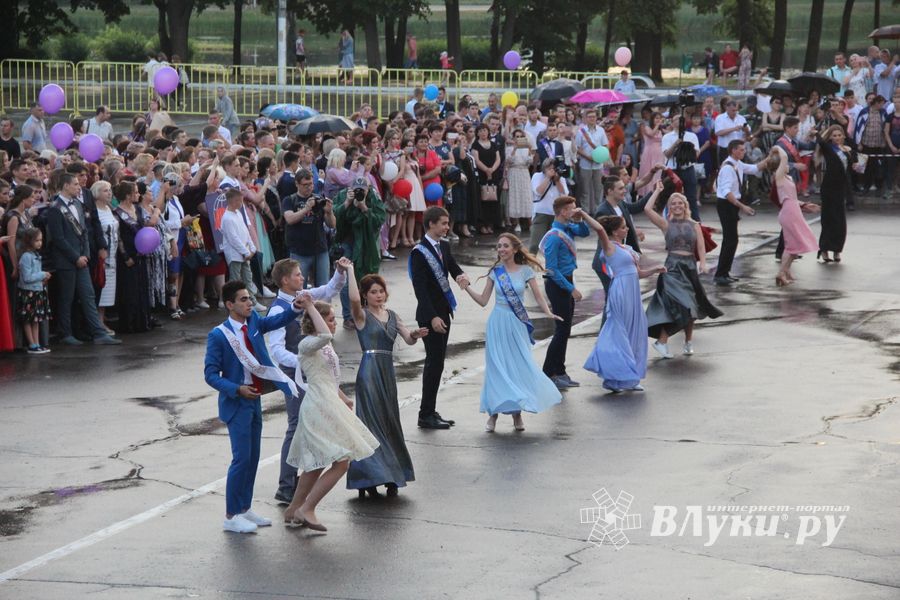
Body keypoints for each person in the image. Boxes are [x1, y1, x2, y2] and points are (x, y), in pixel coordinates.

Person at [204, 279, 306, 533]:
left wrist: (295, 307)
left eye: (249, 298)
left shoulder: (254, 322)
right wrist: (236, 388)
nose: (250, 303)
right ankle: (231, 515)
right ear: (230, 305)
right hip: (237, 402)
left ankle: (244, 508)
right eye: (243, 299)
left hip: (255, 399)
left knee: (252, 458)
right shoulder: (219, 335)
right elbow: (211, 375)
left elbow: (277, 320)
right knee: (241, 459)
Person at [280, 295, 378, 531]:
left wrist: (343, 397)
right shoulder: (307, 344)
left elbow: (328, 377)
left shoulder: (324, 345)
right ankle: (308, 508)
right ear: (317, 320)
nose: (335, 323)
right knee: (341, 462)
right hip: (318, 406)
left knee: (317, 463)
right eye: (331, 319)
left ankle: (293, 509)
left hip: (328, 403)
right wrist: (310, 306)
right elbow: (324, 335)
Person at [266, 257, 348, 504]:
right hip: (295, 374)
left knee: (314, 423)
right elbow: (277, 350)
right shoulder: (278, 309)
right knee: (296, 425)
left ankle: (305, 477)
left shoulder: (303, 296)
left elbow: (330, 289)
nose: (302, 277)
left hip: (311, 372)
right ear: (285, 280)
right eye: (298, 274)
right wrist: (303, 362)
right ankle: (286, 485)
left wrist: (340, 271)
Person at [461, 233, 562, 432]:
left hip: (517, 324)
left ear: (515, 249)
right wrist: (467, 288)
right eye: (499, 246)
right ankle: (493, 415)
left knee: (518, 366)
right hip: (497, 323)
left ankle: (517, 414)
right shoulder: (495, 272)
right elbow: (483, 301)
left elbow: (539, 297)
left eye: (505, 246)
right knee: (497, 368)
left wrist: (549, 313)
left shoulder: (526, 271)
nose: (501, 249)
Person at [346, 270, 426, 496]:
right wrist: (349, 271)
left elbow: (408, 339)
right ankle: (369, 477)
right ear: (365, 295)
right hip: (369, 371)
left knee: (389, 422)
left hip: (387, 372)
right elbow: (353, 299)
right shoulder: (361, 315)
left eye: (381, 291)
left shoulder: (392, 315)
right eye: (373, 292)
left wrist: (415, 334)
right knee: (370, 423)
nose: (379, 295)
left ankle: (391, 474)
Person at [583, 215, 665, 392]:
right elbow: (599, 229)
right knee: (619, 331)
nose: (627, 229)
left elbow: (638, 273)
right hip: (620, 290)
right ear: (614, 232)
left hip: (633, 292)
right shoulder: (609, 246)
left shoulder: (626, 248)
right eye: (623, 227)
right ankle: (614, 375)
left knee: (634, 331)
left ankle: (629, 377)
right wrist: (582, 214)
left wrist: (655, 270)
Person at [643, 186, 722, 358]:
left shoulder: (694, 225)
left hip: (690, 267)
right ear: (669, 207)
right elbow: (647, 209)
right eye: (673, 203)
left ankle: (688, 341)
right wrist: (657, 191)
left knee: (692, 307)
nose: (677, 206)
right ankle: (662, 341)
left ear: (685, 206)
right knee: (681, 305)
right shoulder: (666, 224)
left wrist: (703, 263)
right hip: (672, 267)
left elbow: (700, 245)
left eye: (680, 203)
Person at [410, 206, 469, 429]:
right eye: (443, 223)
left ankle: (430, 410)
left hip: (443, 311)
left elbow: (452, 266)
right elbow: (420, 289)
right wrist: (433, 317)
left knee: (438, 363)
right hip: (430, 315)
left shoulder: (443, 245)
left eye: (447, 223)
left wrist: (460, 275)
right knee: (433, 363)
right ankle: (425, 414)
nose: (447, 227)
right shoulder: (419, 252)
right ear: (431, 224)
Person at [46, 173, 121, 345]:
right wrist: (76, 257)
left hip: (82, 259)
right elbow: (58, 239)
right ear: (65, 186)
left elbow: (85, 231)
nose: (79, 187)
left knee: (88, 295)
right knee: (67, 298)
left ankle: (98, 332)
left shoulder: (79, 205)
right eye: (75, 184)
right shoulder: (55, 208)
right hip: (66, 261)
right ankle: (65, 333)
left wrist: (86, 254)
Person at [539, 196, 593, 390]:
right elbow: (551, 270)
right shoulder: (554, 236)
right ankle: (549, 373)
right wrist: (571, 289)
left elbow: (585, 232)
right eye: (571, 208)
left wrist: (579, 218)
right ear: (562, 212)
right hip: (558, 285)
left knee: (565, 330)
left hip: (567, 280)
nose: (575, 210)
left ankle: (560, 371)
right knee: (561, 330)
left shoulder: (568, 228)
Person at [714, 140, 772, 285]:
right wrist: (742, 207)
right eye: (741, 150)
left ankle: (725, 272)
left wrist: (770, 157)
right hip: (726, 205)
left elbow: (754, 168)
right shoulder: (728, 168)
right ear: (733, 150)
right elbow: (727, 192)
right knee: (730, 240)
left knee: (732, 240)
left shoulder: (737, 164)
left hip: (731, 204)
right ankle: (720, 274)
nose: (744, 152)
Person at [333, 176, 387, 328]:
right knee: (346, 281)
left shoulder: (373, 197)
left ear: (368, 189)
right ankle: (348, 317)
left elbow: (380, 219)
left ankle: (367, 312)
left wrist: (364, 207)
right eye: (356, 189)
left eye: (362, 190)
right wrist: (347, 203)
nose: (359, 192)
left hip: (367, 243)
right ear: (351, 188)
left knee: (368, 278)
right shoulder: (343, 195)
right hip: (347, 241)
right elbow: (333, 216)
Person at [768, 147, 820, 285]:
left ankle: (786, 271)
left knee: (795, 244)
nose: (787, 165)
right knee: (792, 246)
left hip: (793, 210)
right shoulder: (778, 177)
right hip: (789, 212)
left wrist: (804, 205)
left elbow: (792, 197)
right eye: (785, 164)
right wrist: (776, 148)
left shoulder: (787, 177)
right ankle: (781, 273)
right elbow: (784, 157)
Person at [282, 168, 335, 288]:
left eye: (311, 184)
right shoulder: (289, 200)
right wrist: (306, 209)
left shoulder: (319, 199)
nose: (309, 187)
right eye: (305, 185)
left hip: (320, 249)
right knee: (299, 287)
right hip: (299, 251)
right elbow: (289, 219)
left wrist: (329, 212)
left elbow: (332, 225)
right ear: (297, 184)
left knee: (324, 287)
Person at [220, 188, 266, 312]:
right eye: (239, 201)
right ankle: (234, 303)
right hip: (235, 255)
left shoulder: (238, 213)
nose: (241, 203)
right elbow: (233, 239)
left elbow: (245, 231)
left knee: (248, 277)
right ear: (233, 201)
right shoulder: (227, 218)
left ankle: (252, 301)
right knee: (235, 280)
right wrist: (245, 252)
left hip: (245, 254)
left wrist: (252, 247)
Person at [817, 125, 855, 263]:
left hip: (841, 187)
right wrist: (817, 132)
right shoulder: (828, 148)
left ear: (843, 136)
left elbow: (853, 165)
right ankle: (824, 249)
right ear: (831, 137)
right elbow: (821, 141)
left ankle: (837, 250)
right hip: (828, 187)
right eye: (834, 135)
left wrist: (856, 165)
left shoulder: (847, 150)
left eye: (839, 135)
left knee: (839, 219)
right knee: (828, 218)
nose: (837, 138)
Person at [16, 228, 51, 355]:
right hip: (28, 293)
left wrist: (43, 280)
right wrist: (42, 275)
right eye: (37, 240)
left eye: (41, 240)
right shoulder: (26, 256)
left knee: (36, 319)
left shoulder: (35, 255)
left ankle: (37, 343)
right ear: (29, 241)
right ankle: (32, 344)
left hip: (36, 291)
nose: (40, 243)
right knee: (28, 320)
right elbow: (27, 277)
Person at [660, 115, 701, 219]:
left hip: (688, 169)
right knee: (670, 197)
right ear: (672, 122)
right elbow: (667, 154)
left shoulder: (692, 136)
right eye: (677, 119)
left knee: (691, 197)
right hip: (673, 170)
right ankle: (670, 220)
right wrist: (676, 144)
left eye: (682, 119)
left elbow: (696, 154)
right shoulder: (667, 137)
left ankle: (695, 221)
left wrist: (686, 150)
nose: (680, 121)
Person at [92, 180, 118, 333]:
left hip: (113, 255)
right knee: (100, 286)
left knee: (108, 290)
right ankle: (98, 323)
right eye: (105, 190)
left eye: (109, 190)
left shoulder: (109, 208)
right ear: (97, 193)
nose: (109, 193)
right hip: (102, 256)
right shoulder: (94, 211)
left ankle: (102, 319)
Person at [530, 158, 569, 255]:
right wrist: (548, 178)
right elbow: (538, 191)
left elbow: (564, 195)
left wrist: (557, 181)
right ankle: (530, 262)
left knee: (554, 246)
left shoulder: (561, 178)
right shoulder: (537, 176)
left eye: (553, 168)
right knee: (534, 245)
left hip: (556, 216)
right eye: (549, 168)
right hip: (540, 214)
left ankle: (552, 263)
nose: (552, 171)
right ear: (544, 168)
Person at [574, 110, 610, 215]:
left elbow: (605, 146)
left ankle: (598, 212)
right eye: (589, 117)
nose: (592, 119)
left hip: (598, 165)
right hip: (585, 164)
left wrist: (601, 156)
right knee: (585, 190)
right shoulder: (581, 131)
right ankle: (586, 213)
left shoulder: (601, 130)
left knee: (598, 189)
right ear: (585, 119)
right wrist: (588, 157)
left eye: (594, 117)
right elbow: (578, 148)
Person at [715, 100, 750, 165]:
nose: (735, 112)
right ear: (727, 108)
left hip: (739, 149)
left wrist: (746, 130)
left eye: (736, 110)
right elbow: (718, 133)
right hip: (725, 149)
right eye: (733, 110)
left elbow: (748, 134)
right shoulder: (720, 118)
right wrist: (734, 129)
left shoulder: (741, 118)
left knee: (741, 169)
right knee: (725, 168)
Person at [638, 112, 665, 195]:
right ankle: (646, 193)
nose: (658, 120)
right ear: (652, 119)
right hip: (649, 153)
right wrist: (658, 125)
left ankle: (656, 192)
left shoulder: (661, 130)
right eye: (656, 118)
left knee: (658, 174)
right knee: (648, 172)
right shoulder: (647, 127)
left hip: (659, 154)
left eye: (659, 118)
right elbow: (651, 134)